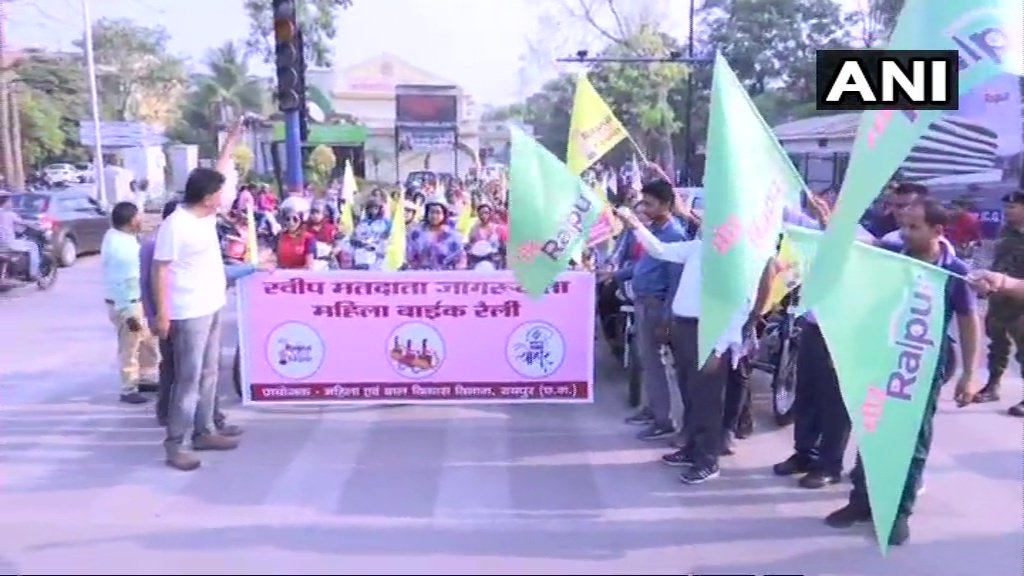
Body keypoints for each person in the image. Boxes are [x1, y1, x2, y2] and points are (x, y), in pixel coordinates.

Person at [825, 197, 980, 546]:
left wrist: (970, 375)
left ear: (937, 230)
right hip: (883, 359)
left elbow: (970, 322)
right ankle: (861, 503)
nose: (905, 233)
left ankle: (898, 513)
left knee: (912, 440)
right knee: (872, 428)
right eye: (903, 225)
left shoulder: (953, 271)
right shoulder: (894, 258)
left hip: (920, 368)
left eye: (914, 227)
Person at [615, 202, 751, 484]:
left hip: (710, 333)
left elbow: (740, 304)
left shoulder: (735, 259)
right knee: (690, 395)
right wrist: (636, 226)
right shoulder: (698, 248)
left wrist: (721, 345)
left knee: (708, 401)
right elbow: (661, 251)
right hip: (686, 328)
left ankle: (707, 460)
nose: (701, 222)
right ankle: (692, 448)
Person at [151, 121, 244, 472]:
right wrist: (163, 315)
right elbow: (160, 270)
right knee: (187, 380)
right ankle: (177, 443)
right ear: (208, 198)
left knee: (209, 374)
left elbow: (220, 172)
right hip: (188, 313)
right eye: (219, 194)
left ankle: (205, 430)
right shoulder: (177, 225)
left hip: (212, 304)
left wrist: (231, 142)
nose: (225, 196)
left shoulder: (206, 214)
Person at [598, 180, 685, 441]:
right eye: (643, 203)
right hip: (642, 301)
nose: (644, 208)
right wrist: (614, 274)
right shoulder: (654, 232)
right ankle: (653, 409)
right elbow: (641, 267)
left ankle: (664, 420)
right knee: (647, 362)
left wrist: (668, 317)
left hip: (657, 306)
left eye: (649, 203)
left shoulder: (674, 235)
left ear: (666, 205)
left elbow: (674, 282)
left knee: (656, 363)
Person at [101, 201, 160, 405]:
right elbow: (120, 282)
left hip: (132, 301)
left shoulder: (117, 236)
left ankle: (145, 378)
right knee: (130, 346)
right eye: (139, 216)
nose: (142, 219)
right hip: (127, 304)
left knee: (146, 342)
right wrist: (128, 312)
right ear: (132, 220)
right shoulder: (122, 249)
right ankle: (128, 388)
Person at [973, 191, 1024, 405]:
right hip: (999, 297)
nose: (1008, 212)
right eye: (1006, 208)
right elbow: (994, 259)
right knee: (997, 344)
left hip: (1020, 299)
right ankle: (993, 385)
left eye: (1013, 208)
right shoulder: (1005, 231)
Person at [406, 199, 466, 270]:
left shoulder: (453, 235)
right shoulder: (416, 233)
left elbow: (460, 258)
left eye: (438, 213)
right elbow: (410, 255)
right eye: (431, 212)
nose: (434, 216)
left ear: (444, 214)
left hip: (446, 275)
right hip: (420, 274)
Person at [0, 193, 40, 280]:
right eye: (10, 201)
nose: (11, 203)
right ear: (5, 203)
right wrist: (36, 224)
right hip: (7, 244)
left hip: (2, 245)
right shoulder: (9, 214)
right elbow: (23, 223)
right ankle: (33, 273)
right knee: (33, 246)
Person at [276, 205, 317, 270]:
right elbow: (270, 258)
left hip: (300, 275)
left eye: (295, 219)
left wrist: (290, 272)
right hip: (281, 273)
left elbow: (309, 266)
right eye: (288, 219)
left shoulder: (309, 238)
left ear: (301, 220)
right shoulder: (279, 236)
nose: (291, 222)